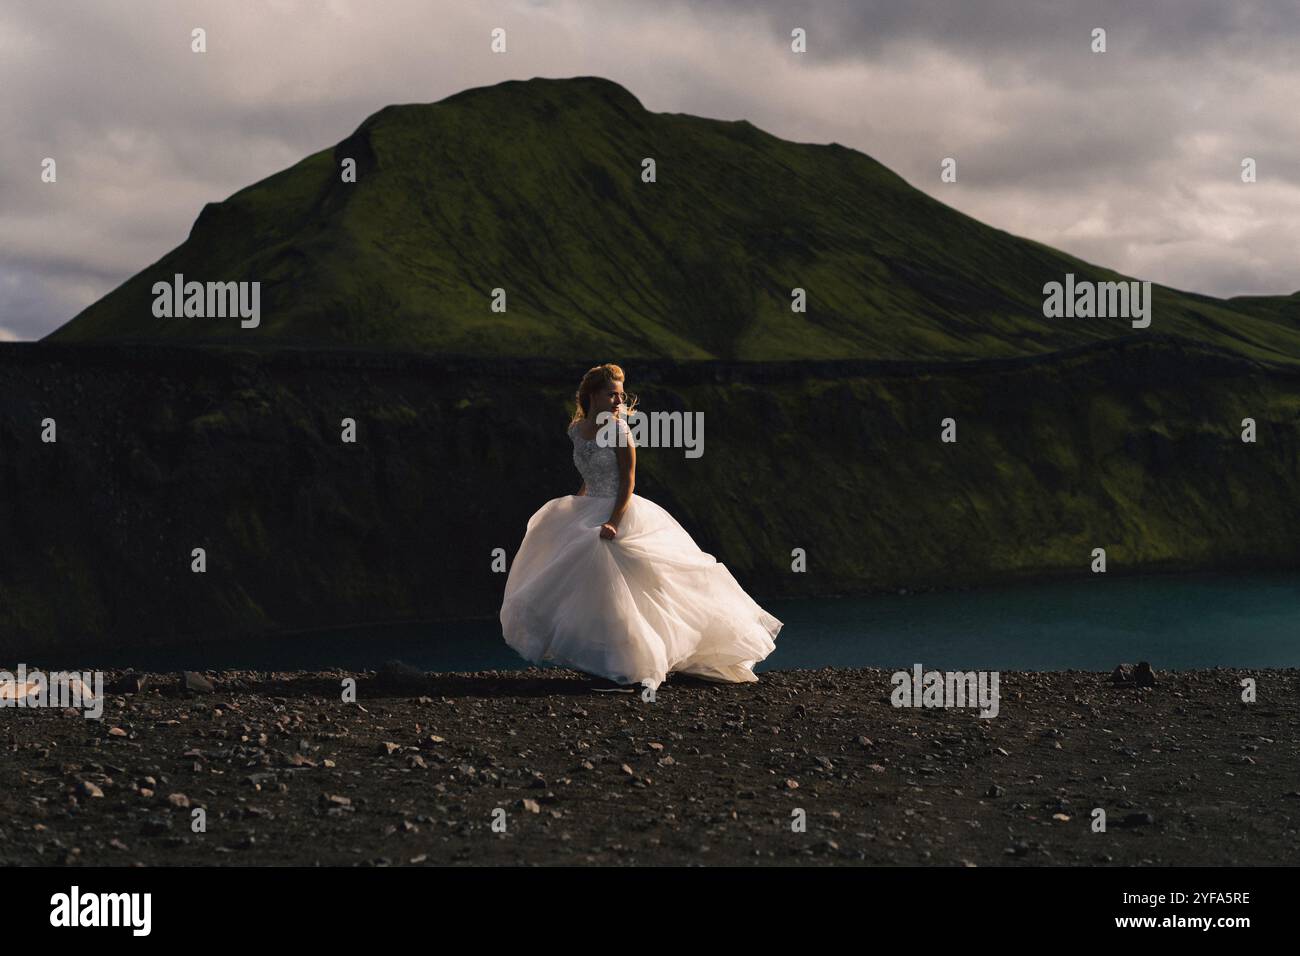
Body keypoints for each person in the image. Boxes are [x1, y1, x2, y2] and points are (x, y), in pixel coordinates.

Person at [500, 363, 783, 693]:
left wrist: (613, 523)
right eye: (611, 394)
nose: (619, 400)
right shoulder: (577, 429)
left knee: (625, 589)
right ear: (591, 395)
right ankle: (607, 664)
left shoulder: (619, 430)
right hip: (589, 506)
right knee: (590, 587)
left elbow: (628, 482)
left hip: (619, 512)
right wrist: (575, 508)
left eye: (622, 394)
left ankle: (633, 669)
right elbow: (588, 478)